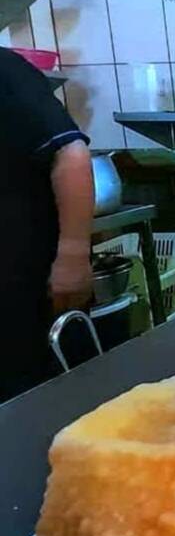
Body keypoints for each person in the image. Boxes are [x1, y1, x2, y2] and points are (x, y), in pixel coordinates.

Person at [0, 48, 95, 402]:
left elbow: (71, 153)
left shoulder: (6, 71)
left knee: (43, 400)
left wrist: (73, 257)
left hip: (24, 282)